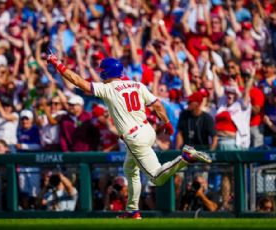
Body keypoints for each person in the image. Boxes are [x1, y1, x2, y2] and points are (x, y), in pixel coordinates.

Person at [47, 54, 212, 219]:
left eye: (102, 70)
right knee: (129, 169)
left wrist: (58, 64)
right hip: (147, 131)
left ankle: (184, 158)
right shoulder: (137, 85)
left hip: (134, 137)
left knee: (156, 178)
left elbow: (77, 81)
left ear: (106, 73)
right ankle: (133, 210)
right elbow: (157, 104)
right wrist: (167, 122)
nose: (100, 73)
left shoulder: (108, 88)